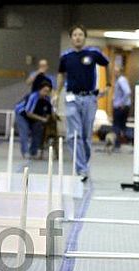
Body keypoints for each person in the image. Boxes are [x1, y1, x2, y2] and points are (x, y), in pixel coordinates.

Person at [53, 25, 110, 181]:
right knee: (73, 135)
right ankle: (81, 168)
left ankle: (84, 162)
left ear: (84, 37)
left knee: (85, 136)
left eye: (80, 35)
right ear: (71, 38)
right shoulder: (66, 56)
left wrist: (109, 85)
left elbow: (107, 64)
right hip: (72, 98)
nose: (77, 37)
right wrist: (57, 93)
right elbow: (60, 75)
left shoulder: (93, 53)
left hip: (90, 98)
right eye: (74, 35)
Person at [15, 81, 53, 159]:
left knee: (38, 131)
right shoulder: (33, 97)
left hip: (35, 117)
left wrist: (46, 119)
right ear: (40, 90)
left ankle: (33, 152)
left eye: (48, 91)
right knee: (24, 133)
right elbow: (28, 113)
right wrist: (42, 119)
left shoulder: (47, 99)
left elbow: (49, 112)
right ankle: (25, 152)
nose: (46, 93)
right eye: (44, 91)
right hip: (22, 115)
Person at [111, 65, 131, 149]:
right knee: (122, 124)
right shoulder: (121, 80)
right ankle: (121, 140)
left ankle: (117, 142)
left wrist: (121, 103)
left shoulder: (121, 80)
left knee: (117, 125)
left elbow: (127, 92)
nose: (114, 73)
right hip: (123, 105)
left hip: (120, 106)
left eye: (116, 71)